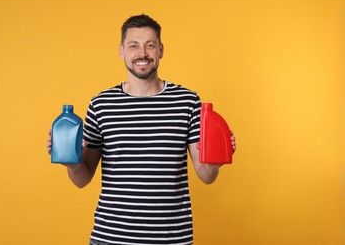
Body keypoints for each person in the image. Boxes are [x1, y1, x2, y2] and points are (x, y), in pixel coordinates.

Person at [47, 14, 236, 245]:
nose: (142, 53)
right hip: (111, 238)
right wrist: (71, 162)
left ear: (161, 50)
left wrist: (215, 162)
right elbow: (82, 179)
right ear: (121, 51)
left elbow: (206, 176)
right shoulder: (101, 104)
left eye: (150, 45)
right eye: (133, 45)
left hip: (172, 240)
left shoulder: (187, 102)